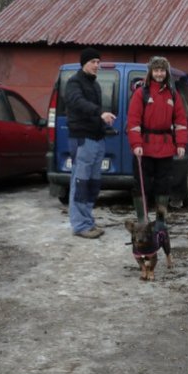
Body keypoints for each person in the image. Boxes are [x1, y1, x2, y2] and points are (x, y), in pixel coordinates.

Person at [126, 56, 188, 223]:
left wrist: (181, 144)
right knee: (142, 186)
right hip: (144, 148)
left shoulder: (173, 95)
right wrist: (136, 144)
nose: (159, 74)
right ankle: (142, 220)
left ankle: (160, 221)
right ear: (151, 72)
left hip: (165, 148)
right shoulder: (141, 94)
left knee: (163, 186)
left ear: (166, 73)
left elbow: (181, 122)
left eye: (162, 70)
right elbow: (133, 121)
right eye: (156, 70)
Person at [65, 47, 117, 238]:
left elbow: (94, 112)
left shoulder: (94, 85)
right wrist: (99, 112)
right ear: (84, 63)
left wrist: (105, 124)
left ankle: (88, 221)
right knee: (80, 181)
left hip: (97, 139)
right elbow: (77, 102)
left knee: (93, 183)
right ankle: (79, 225)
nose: (97, 65)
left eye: (98, 62)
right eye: (93, 62)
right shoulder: (73, 83)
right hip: (82, 139)